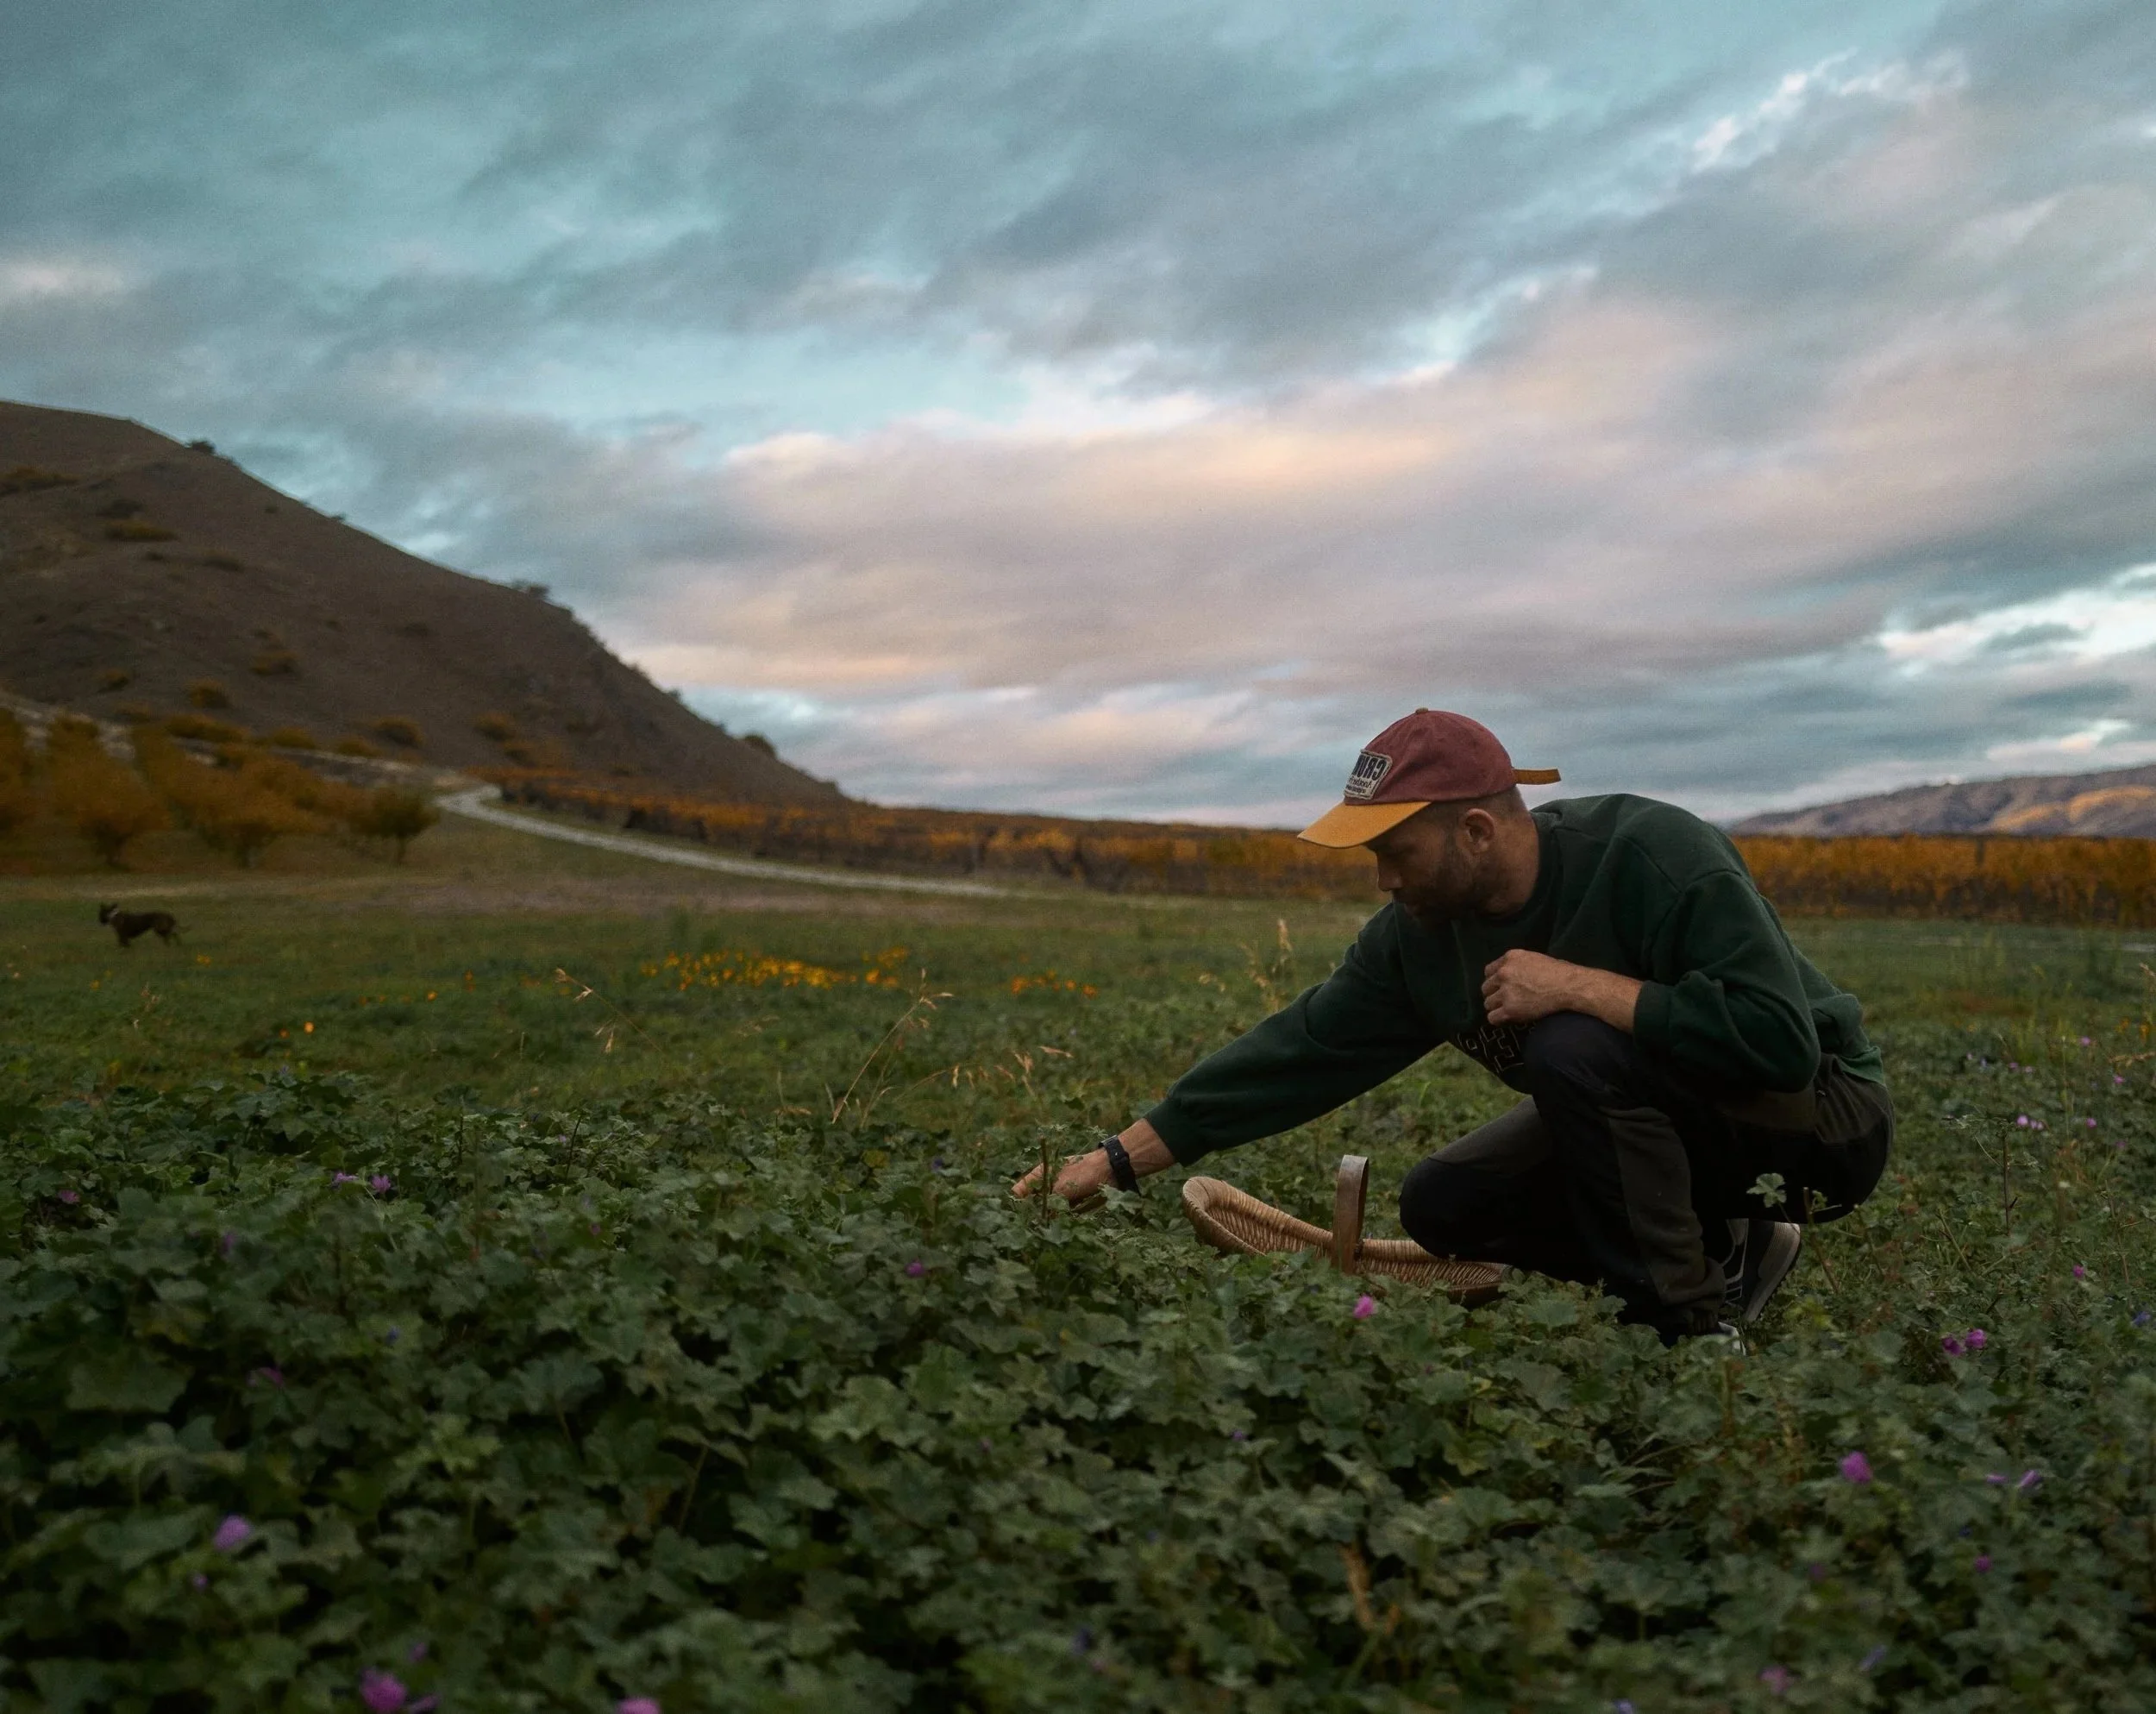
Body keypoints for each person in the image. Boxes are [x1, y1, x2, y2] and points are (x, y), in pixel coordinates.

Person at [1012, 709, 1892, 1343]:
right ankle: (1726, 1248)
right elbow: (1297, 1053)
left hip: (1819, 1115)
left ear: (1475, 830)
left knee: (1571, 1042)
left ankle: (1691, 1334)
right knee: (1444, 1201)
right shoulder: (1419, 938)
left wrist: (1583, 986)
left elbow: (1780, 1042)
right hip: (1669, 1123)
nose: (1383, 880)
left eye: (1396, 852)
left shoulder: (1652, 855)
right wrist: (1115, 1160)